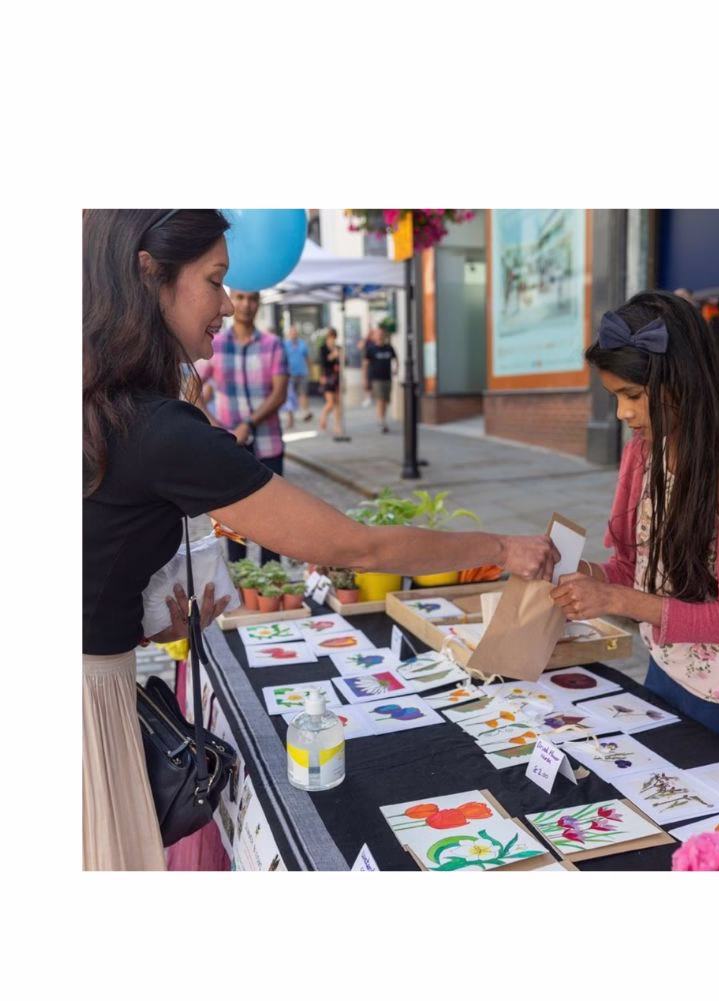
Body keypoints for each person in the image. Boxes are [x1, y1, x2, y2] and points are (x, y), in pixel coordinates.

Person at [82, 209, 561, 870]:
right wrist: (503, 550)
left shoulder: (97, 402)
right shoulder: (157, 428)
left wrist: (124, 615)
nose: (227, 303)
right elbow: (353, 547)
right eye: (215, 280)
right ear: (149, 274)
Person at [549, 291, 719, 756]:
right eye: (615, 397)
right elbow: (633, 566)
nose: (623, 414)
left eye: (633, 395)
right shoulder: (641, 452)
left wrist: (615, 598)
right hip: (664, 666)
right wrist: (575, 575)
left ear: (681, 381)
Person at [196, 289, 287, 564]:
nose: (246, 305)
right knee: (234, 521)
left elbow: (279, 394)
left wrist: (249, 424)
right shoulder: (217, 344)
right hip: (230, 449)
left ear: (259, 303)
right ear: (231, 300)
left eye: (253, 299)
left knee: (274, 520)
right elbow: (190, 386)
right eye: (241, 298)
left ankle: (272, 586)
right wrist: (216, 427)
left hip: (268, 444)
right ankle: (243, 589)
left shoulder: (273, 344)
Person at [314, 327, 348, 441]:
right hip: (327, 377)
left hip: (337, 377)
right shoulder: (323, 348)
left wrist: (341, 356)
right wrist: (333, 355)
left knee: (338, 403)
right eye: (330, 337)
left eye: (334, 337)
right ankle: (323, 417)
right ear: (327, 338)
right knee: (330, 402)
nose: (332, 340)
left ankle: (337, 425)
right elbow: (323, 363)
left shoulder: (339, 348)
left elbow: (344, 362)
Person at [362, 325, 396, 434]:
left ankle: (382, 418)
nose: (380, 336)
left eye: (382, 334)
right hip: (376, 378)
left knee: (386, 400)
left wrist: (396, 369)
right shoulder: (371, 349)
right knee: (380, 399)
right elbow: (365, 365)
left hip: (387, 377)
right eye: (378, 334)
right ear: (375, 336)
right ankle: (382, 421)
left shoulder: (389, 347)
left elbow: (395, 359)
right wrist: (365, 379)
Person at [281, 325, 312, 425]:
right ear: (289, 334)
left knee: (303, 393)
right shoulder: (285, 345)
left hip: (302, 372)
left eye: (295, 333)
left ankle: (305, 413)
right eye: (292, 333)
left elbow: (307, 358)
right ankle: (291, 418)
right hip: (289, 374)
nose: (294, 335)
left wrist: (309, 370)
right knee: (290, 396)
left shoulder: (302, 344)